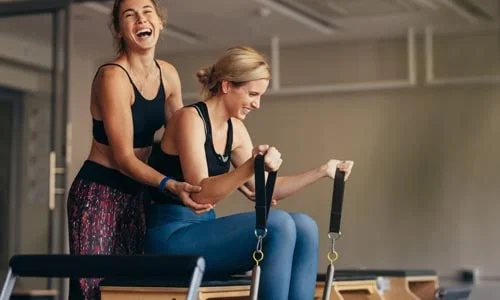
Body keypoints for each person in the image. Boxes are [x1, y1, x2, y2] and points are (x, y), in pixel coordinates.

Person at [145, 45, 354, 300]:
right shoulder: (190, 119)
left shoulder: (236, 129)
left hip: (204, 234)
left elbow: (267, 189)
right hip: (172, 238)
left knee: (305, 226)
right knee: (279, 224)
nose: (257, 104)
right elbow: (200, 193)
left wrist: (323, 171)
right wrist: (249, 167)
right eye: (253, 94)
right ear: (226, 86)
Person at [66, 0, 211, 299]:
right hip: (100, 190)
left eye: (147, 12)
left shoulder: (168, 74)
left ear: (160, 22)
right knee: (93, 289)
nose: (140, 19)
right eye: (129, 15)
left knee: (129, 288)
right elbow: (123, 158)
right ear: (119, 30)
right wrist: (170, 185)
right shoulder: (113, 77)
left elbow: (183, 135)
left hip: (140, 191)